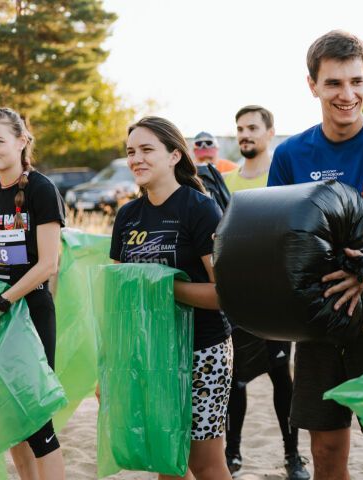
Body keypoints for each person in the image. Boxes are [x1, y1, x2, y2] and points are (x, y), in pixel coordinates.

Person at [267, 30, 363, 480]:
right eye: (334, 83)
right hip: (319, 321)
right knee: (326, 449)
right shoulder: (291, 154)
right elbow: (277, 238)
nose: (347, 94)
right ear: (312, 85)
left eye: (356, 81)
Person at [110, 116, 233, 480]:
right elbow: (119, 295)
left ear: (174, 155)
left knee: (205, 463)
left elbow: (224, 293)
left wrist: (163, 286)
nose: (137, 159)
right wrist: (112, 365)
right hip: (151, 351)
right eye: (131, 152)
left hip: (203, 350)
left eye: (147, 150)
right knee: (167, 458)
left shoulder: (199, 208)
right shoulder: (127, 216)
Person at [222, 105, 309, 480]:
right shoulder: (227, 185)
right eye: (240, 128)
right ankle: (233, 452)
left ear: (270, 132)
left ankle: (293, 456)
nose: (245, 135)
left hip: (279, 294)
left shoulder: (283, 177)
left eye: (253, 128)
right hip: (240, 295)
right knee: (236, 377)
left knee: (279, 372)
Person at [0, 108, 66, 480]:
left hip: (29, 309)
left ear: (22, 141)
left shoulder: (41, 189)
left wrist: (4, 301)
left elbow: (48, 263)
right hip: (0, 310)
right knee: (9, 415)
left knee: (37, 421)